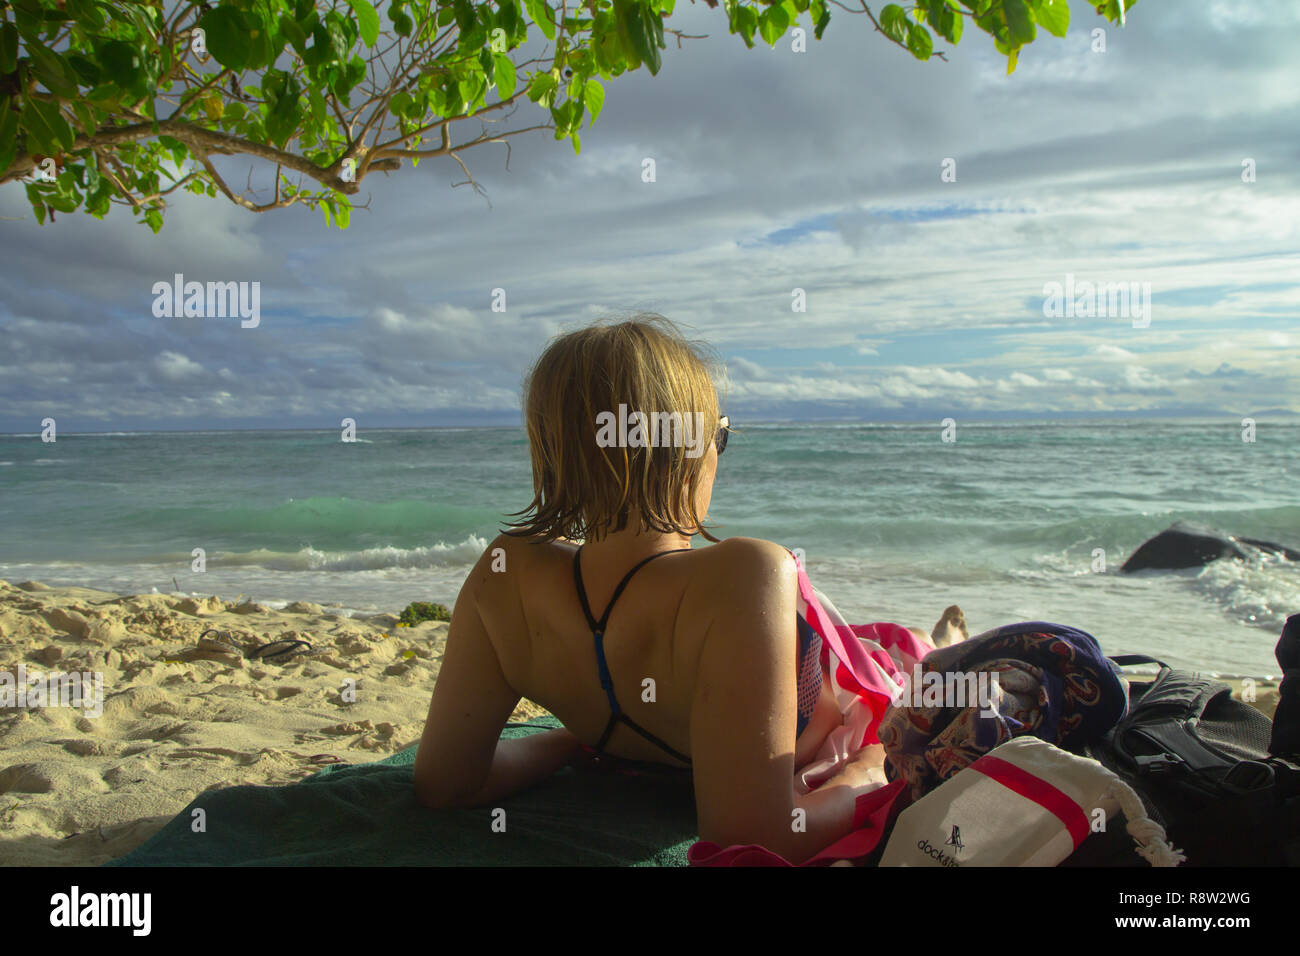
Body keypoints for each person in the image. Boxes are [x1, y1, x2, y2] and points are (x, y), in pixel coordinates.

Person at [413, 314, 964, 863]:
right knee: (905, 655)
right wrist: (869, 767)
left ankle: (937, 633)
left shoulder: (505, 573)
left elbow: (447, 784)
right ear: (683, 447)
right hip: (848, 708)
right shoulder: (745, 575)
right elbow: (756, 839)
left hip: (655, 726)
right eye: (719, 434)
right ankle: (940, 636)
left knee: (897, 641)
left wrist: (572, 741)